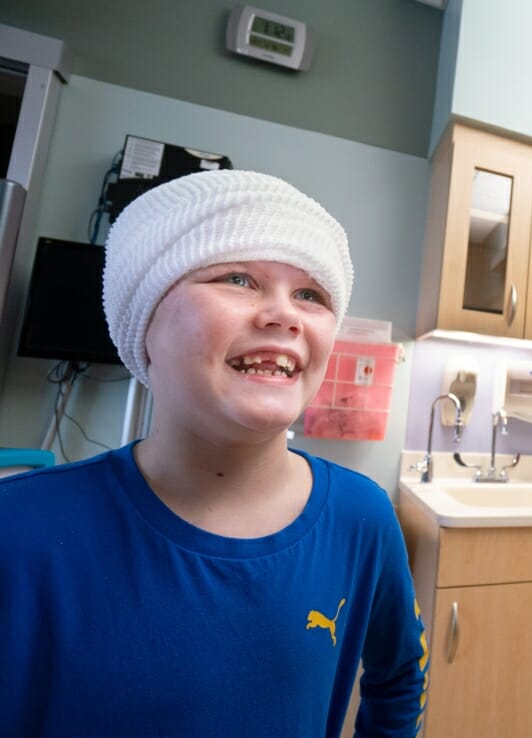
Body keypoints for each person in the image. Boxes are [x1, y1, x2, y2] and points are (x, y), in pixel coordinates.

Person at [0, 170, 428, 736]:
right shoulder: (20, 530)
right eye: (237, 278)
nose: (285, 314)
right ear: (144, 321)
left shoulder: (361, 518)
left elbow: (398, 679)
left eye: (310, 294)